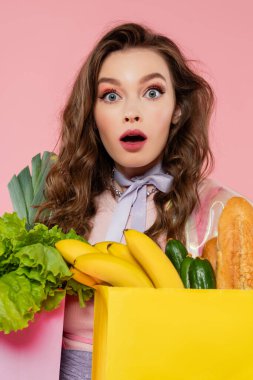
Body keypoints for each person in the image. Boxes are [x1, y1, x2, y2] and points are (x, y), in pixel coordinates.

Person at [36, 22, 244, 380]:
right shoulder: (60, 203)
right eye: (111, 96)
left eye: (152, 92)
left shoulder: (218, 211)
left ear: (178, 109)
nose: (131, 112)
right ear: (92, 114)